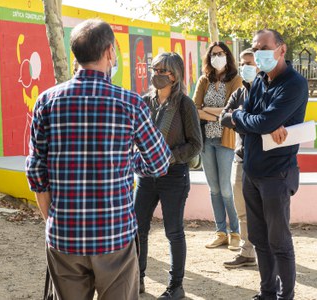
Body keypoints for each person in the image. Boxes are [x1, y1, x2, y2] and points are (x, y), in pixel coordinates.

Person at [25, 19, 171, 300]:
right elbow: (159, 163)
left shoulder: (46, 101)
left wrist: (52, 222)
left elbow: (36, 173)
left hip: (63, 237)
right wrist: (128, 162)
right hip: (114, 236)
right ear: (108, 52)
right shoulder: (130, 103)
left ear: (75, 54)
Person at [231, 29, 309, 300]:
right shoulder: (260, 80)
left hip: (277, 174)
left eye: (264, 47)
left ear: (281, 49)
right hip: (251, 172)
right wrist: (247, 118)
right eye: (255, 47)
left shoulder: (294, 84)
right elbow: (243, 117)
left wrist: (249, 119)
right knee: (259, 240)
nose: (259, 52)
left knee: (279, 242)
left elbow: (259, 121)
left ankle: (286, 296)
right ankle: (267, 294)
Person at [134, 52, 202, 300]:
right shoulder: (144, 102)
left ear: (175, 76)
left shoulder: (184, 104)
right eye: (155, 69)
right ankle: (137, 278)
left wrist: (168, 157)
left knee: (173, 231)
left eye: (164, 71)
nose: (157, 75)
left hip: (173, 176)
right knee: (138, 228)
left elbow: (196, 145)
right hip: (146, 176)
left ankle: (176, 286)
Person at [193, 41, 242, 250]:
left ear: (227, 56)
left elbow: (235, 110)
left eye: (221, 53)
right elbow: (195, 109)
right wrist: (219, 113)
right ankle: (220, 231)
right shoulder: (204, 80)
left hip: (226, 140)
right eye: (213, 54)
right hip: (207, 140)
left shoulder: (236, 80)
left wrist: (209, 111)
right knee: (213, 189)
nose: (217, 57)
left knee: (226, 189)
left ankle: (236, 233)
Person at [220, 48, 258, 269]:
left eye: (250, 63)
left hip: (262, 160)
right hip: (241, 157)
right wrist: (241, 116)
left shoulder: (266, 90)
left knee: (263, 211)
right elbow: (224, 118)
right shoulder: (239, 92)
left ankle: (267, 251)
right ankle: (247, 251)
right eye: (243, 63)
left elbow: (263, 121)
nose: (246, 67)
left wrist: (239, 117)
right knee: (241, 209)